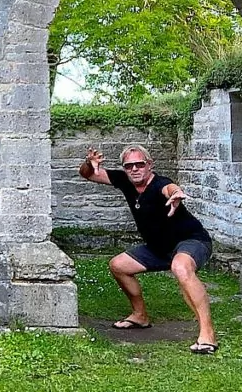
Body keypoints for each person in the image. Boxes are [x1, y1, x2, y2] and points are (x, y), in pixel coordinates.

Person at [79, 144, 218, 355]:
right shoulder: (125, 181)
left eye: (139, 164)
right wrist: (89, 164)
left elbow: (170, 188)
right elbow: (88, 175)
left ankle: (208, 335)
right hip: (158, 248)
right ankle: (140, 316)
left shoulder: (160, 184)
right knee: (119, 265)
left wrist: (177, 194)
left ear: (149, 165)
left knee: (180, 267)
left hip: (191, 241)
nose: (134, 169)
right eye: (129, 166)